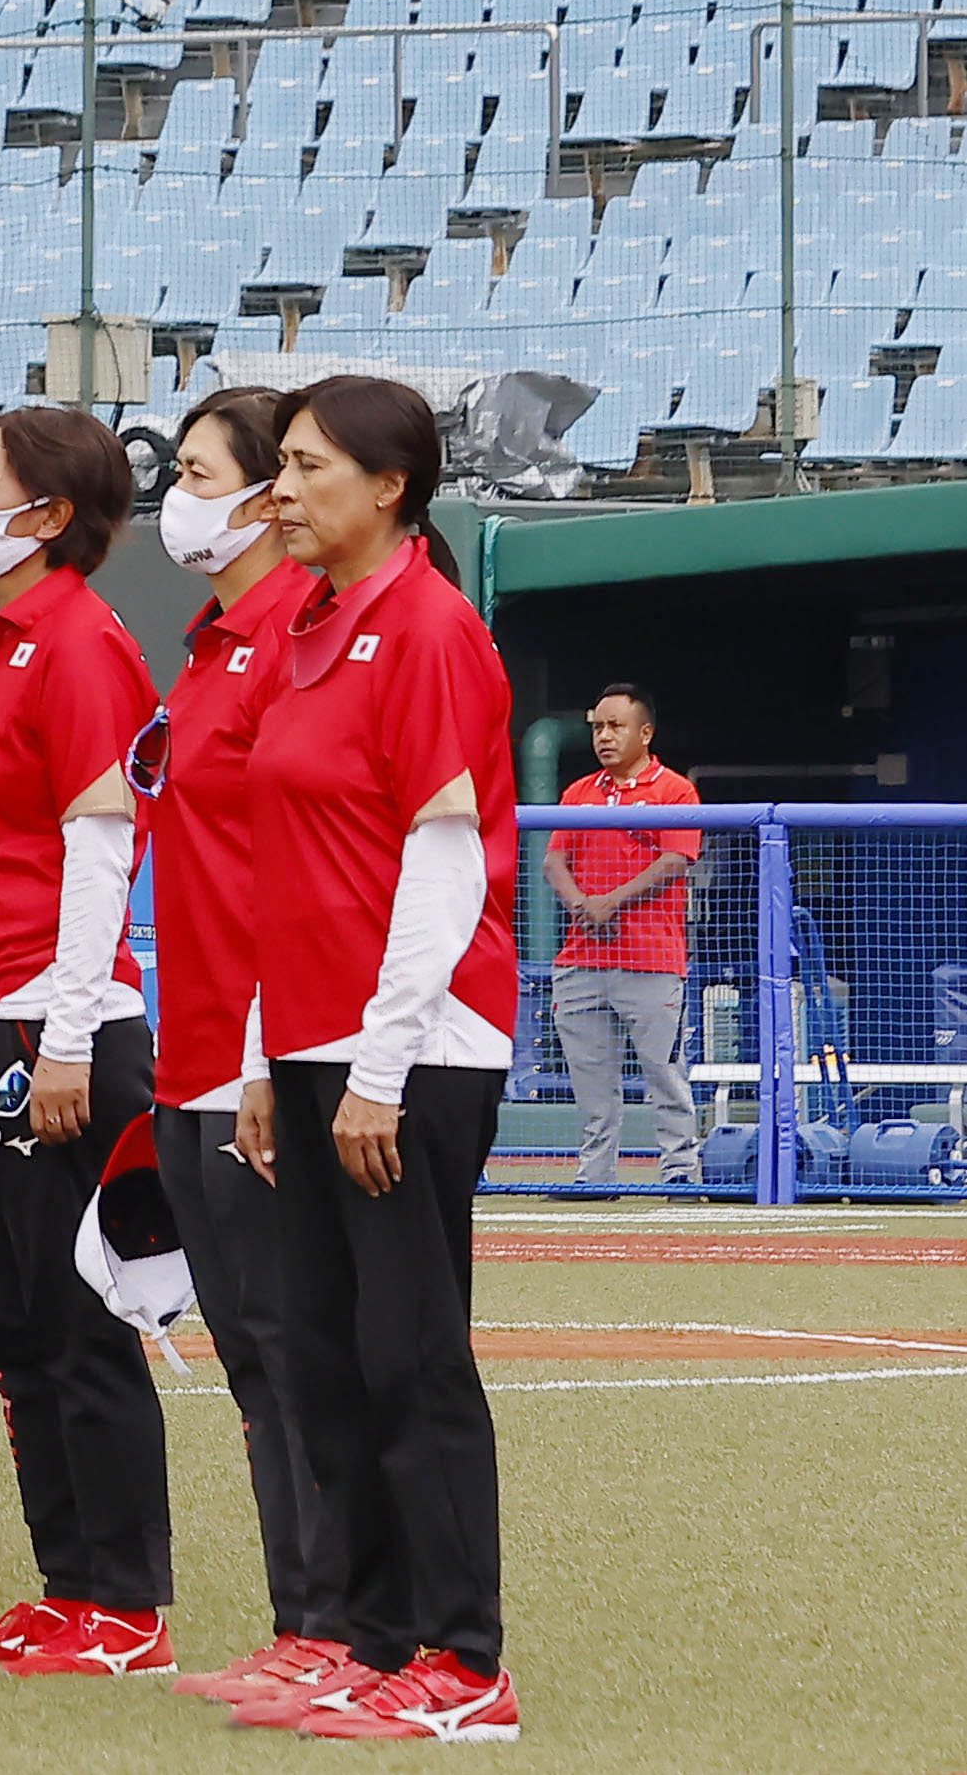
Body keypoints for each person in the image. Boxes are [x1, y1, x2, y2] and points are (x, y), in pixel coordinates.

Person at [233, 375, 524, 1745]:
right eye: (278, 466)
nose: (278, 490)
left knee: (408, 1357)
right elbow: (277, 868)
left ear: (389, 486)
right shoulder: (303, 622)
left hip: (407, 1044)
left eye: (305, 467)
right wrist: (261, 1059)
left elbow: (443, 856)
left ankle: (464, 1665)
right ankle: (359, 1638)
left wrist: (378, 1068)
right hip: (308, 1039)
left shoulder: (427, 628)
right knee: (320, 1358)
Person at [0, 408, 172, 1670]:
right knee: (9, 1329)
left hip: (42, 1023)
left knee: (75, 1323)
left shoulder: (78, 644)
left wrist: (63, 1034)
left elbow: (98, 841)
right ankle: (68, 1585)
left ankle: (121, 1604)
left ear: (48, 516)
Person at [134, 386, 357, 1709]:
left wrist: (274, 1050)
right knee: (252, 1355)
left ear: (273, 488)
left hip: (265, 1050)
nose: (182, 495)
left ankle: (342, 1625)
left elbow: (301, 864)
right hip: (195, 1044)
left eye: (204, 470)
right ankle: (302, 1618)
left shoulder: (296, 636)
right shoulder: (214, 641)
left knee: (298, 1344)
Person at [545, 684, 704, 1187]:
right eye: (597, 727)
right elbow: (553, 859)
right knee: (592, 1083)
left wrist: (610, 901)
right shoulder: (578, 792)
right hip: (581, 960)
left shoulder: (676, 789)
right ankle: (596, 1178)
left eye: (615, 727)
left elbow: (676, 859)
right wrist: (582, 905)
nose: (604, 737)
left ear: (645, 732)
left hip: (652, 962)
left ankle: (680, 1174)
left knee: (664, 1076)